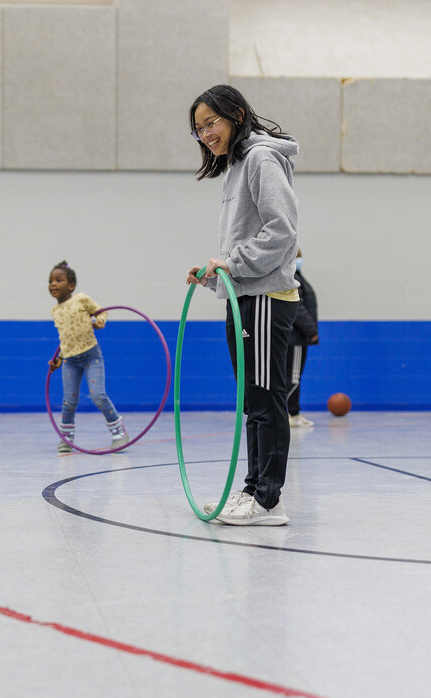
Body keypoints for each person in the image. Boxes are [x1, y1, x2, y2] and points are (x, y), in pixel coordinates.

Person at [185, 85, 299, 526]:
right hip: (245, 296)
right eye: (198, 130)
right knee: (252, 398)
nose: (206, 135)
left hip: (267, 297)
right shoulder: (236, 167)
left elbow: (282, 230)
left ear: (235, 113)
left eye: (210, 123)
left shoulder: (260, 159)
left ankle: (268, 501)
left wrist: (231, 262)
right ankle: (254, 490)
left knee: (265, 399)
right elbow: (244, 242)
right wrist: (215, 271)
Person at [47, 261, 130, 453]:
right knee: (69, 401)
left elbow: (103, 312)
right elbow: (64, 337)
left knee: (98, 395)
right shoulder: (55, 311)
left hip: (91, 356)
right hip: (70, 360)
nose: (53, 284)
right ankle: (67, 439)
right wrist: (58, 359)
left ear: (71, 286)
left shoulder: (81, 299)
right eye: (50, 281)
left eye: (58, 280)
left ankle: (119, 434)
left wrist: (99, 320)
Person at [286, 248, 318, 427]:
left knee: (291, 375)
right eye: (298, 257)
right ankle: (289, 413)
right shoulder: (293, 278)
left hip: (294, 336)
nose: (300, 260)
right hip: (296, 337)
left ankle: (292, 412)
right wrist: (311, 330)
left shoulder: (296, 276)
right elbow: (298, 308)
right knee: (293, 377)